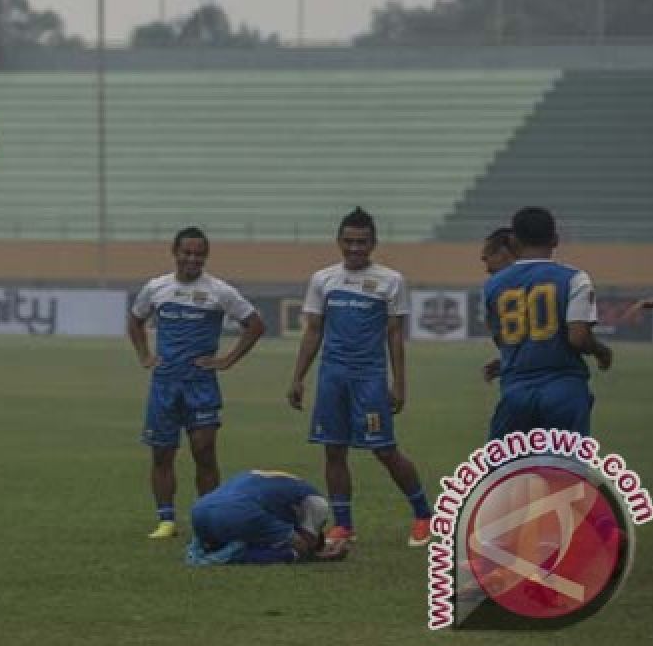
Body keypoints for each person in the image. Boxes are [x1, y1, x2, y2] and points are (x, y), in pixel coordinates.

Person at [287, 207, 432, 548]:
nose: (355, 249)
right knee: (333, 450)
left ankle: (424, 514)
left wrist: (399, 383)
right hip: (332, 376)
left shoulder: (390, 280)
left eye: (362, 242)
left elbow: (395, 335)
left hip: (369, 377)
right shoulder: (323, 279)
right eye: (349, 241)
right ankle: (344, 525)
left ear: (373, 243)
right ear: (339, 241)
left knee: (384, 450)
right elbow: (313, 331)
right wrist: (298, 377)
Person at [127, 227, 266, 540]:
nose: (192, 258)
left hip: (200, 385)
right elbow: (135, 320)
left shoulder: (220, 291)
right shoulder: (156, 287)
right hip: (165, 385)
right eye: (186, 252)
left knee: (204, 453)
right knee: (162, 454)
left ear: (206, 256)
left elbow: (255, 325)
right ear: (174, 253)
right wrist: (145, 355)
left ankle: (208, 519)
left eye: (199, 253)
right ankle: (166, 521)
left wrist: (228, 360)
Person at [483, 206, 612, 439]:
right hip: (564, 389)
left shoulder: (493, 285)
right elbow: (578, 337)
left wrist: (510, 361)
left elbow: (502, 338)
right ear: (555, 239)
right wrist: (602, 351)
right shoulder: (575, 279)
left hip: (516, 392)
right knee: (565, 470)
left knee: (507, 470)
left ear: (514, 242)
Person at [185, 470, 348, 566]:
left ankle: (202, 546)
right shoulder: (318, 502)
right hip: (238, 514)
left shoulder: (281, 485)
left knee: (248, 530)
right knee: (292, 553)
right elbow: (304, 545)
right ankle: (232, 555)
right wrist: (323, 556)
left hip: (198, 511)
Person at [480, 227, 520, 383]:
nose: (487, 268)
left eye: (487, 258)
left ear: (503, 253)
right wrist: (507, 363)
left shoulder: (495, 287)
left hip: (521, 386)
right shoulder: (550, 281)